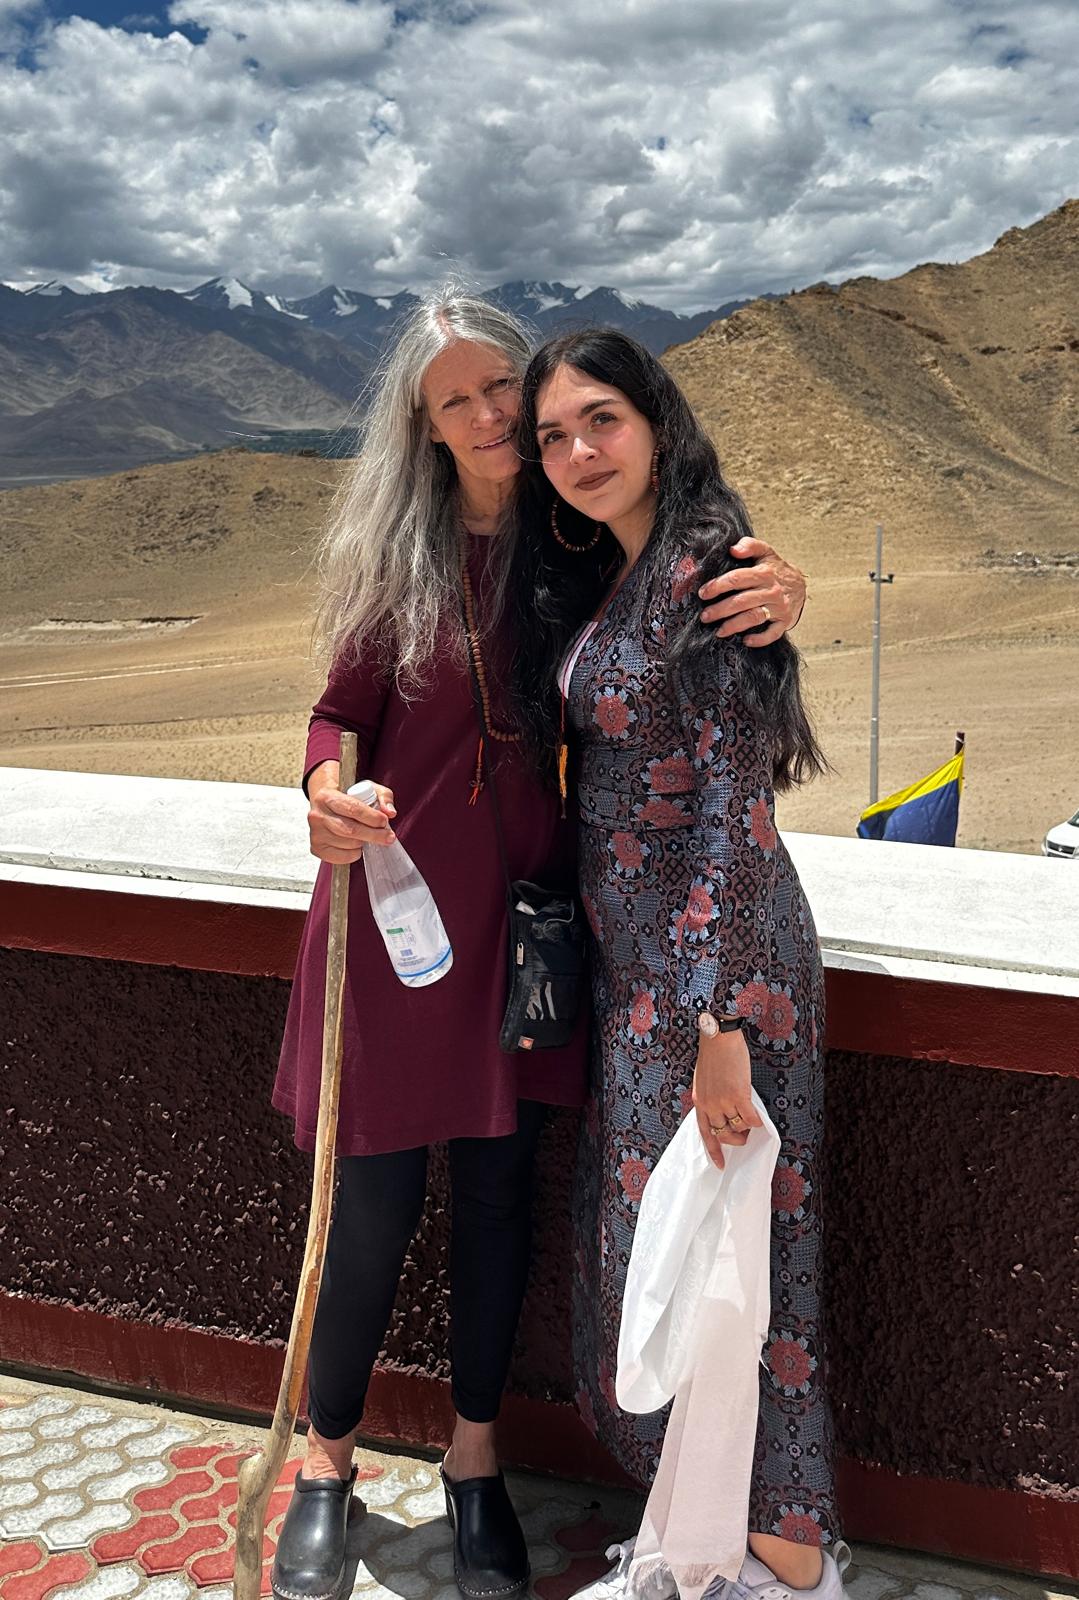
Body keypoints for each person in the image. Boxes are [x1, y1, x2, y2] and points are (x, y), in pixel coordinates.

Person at [269, 291, 809, 1600]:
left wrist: (783, 586)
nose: (486, 415)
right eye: (451, 398)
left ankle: (473, 1464)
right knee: (372, 1209)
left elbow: (682, 610)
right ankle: (325, 1465)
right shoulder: (394, 560)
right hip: (396, 932)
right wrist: (325, 793)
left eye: (498, 387)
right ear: (421, 424)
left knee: (499, 1202)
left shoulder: (573, 549)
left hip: (528, 940)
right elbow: (334, 717)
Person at [509, 328, 842, 1600]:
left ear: (655, 419)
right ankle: (703, 1537)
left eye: (599, 418)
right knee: (677, 1248)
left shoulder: (706, 565)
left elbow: (728, 810)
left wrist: (717, 1027)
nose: (577, 451)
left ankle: (778, 1555)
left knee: (740, 1254)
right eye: (551, 435)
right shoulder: (618, 566)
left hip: (716, 976)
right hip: (640, 976)